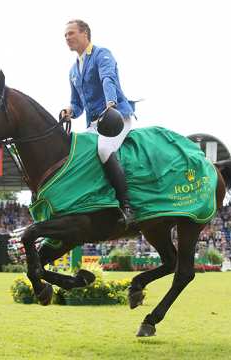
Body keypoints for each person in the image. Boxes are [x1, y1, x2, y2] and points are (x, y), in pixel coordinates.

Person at [61, 19, 135, 225]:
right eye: (65, 35)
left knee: (103, 150)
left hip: (116, 117)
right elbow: (77, 105)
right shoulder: (73, 71)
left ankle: (126, 205)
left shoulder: (102, 54)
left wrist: (110, 103)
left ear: (85, 34)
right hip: (94, 124)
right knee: (78, 151)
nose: (67, 38)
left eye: (71, 33)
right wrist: (69, 111)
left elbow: (108, 79)